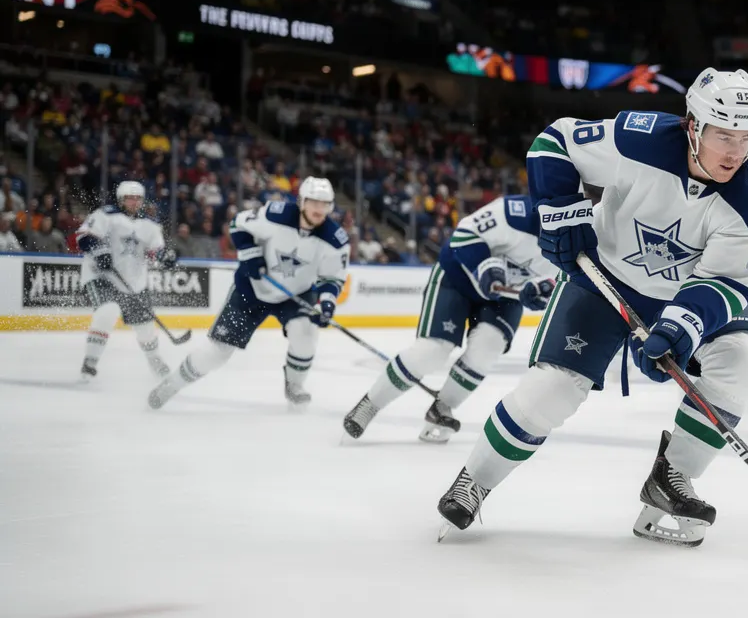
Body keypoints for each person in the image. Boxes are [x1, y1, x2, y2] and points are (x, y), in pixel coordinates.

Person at [435, 68, 748, 548]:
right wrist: (561, 213)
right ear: (693, 126)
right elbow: (554, 142)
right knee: (552, 391)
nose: (735, 151)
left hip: (686, 294)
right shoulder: (639, 140)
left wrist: (681, 326)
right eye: (724, 135)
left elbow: (726, 281)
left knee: (745, 361)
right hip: (605, 276)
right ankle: (475, 479)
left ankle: (671, 478)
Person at [342, 195, 558, 442]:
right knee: (432, 351)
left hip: (504, 297)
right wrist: (484, 265)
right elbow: (465, 234)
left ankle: (443, 406)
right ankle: (370, 404)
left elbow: (557, 284)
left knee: (487, 348)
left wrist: (538, 291)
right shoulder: (515, 213)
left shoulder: (581, 237)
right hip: (458, 276)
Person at [148, 177, 349, 409]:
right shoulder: (275, 215)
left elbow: (332, 278)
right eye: (314, 202)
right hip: (251, 289)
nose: (319, 209)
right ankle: (171, 384)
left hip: (296, 294)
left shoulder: (336, 240)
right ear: (302, 201)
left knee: (305, 335)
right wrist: (251, 255)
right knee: (217, 352)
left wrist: (326, 305)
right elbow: (238, 225)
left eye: (324, 204)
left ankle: (294, 385)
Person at [76, 180, 177, 380]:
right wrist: (99, 250)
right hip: (101, 276)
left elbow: (155, 251)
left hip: (133, 282)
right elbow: (82, 237)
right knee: (107, 312)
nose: (134, 202)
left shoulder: (150, 225)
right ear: (121, 199)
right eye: (129, 198)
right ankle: (90, 362)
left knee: (145, 327)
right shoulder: (105, 215)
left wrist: (165, 257)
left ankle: (154, 360)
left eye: (137, 198)